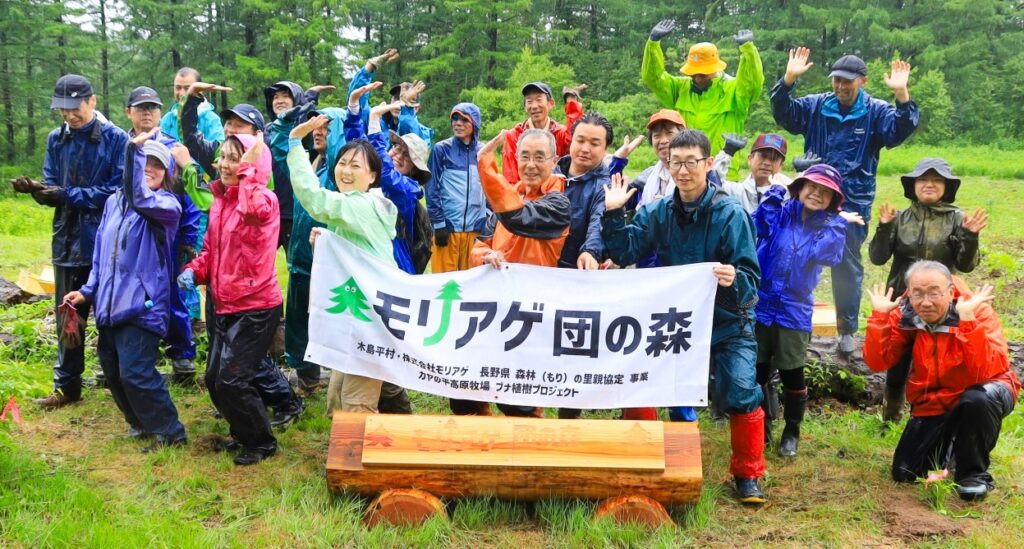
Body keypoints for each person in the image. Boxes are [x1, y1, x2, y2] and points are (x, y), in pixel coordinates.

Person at [601, 129, 767, 504]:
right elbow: (626, 250)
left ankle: (748, 473)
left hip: (728, 321)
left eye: (692, 162)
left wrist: (733, 278)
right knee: (640, 378)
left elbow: (751, 281)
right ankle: (640, 459)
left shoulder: (731, 214)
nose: (684, 170)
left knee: (740, 391)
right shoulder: (658, 212)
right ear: (667, 164)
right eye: (676, 163)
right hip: (676, 323)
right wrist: (613, 213)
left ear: (708, 164)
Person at [771, 48, 920, 354]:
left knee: (845, 262)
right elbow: (784, 112)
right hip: (814, 192)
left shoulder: (876, 111)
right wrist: (788, 80)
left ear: (862, 82)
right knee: (796, 251)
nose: (840, 86)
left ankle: (847, 328)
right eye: (837, 80)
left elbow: (898, 132)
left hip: (853, 198)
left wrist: (902, 94)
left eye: (847, 82)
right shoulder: (817, 106)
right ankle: (788, 320)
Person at [9, 75, 128, 408]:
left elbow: (117, 192)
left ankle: (118, 382)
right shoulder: (55, 139)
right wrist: (36, 190)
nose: (69, 116)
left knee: (110, 318)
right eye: (63, 110)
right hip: (65, 242)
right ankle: (67, 387)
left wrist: (66, 194)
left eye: (74, 108)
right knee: (68, 318)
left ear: (92, 101)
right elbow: (52, 188)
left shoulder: (115, 138)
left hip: (104, 243)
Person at [63, 134, 187, 449]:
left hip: (142, 305)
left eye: (157, 164)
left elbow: (140, 197)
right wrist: (87, 291)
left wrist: (133, 150)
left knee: (136, 372)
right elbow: (101, 255)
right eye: (145, 161)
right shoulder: (112, 203)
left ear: (167, 172)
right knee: (114, 372)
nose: (150, 168)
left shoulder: (166, 206)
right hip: (109, 304)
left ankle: (170, 431)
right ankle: (140, 424)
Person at [178, 132, 293, 465]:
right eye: (224, 158)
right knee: (214, 379)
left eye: (236, 158)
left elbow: (254, 210)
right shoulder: (220, 201)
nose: (227, 165)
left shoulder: (264, 199)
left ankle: (261, 443)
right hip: (226, 303)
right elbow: (211, 250)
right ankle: (243, 434)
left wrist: (249, 173)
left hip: (256, 306)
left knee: (233, 379)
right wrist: (194, 271)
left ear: (253, 165)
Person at [864, 262, 1019, 501]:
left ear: (949, 291)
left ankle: (972, 475)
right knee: (906, 472)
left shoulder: (975, 309)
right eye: (918, 293)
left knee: (976, 400)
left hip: (988, 389)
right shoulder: (907, 312)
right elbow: (878, 361)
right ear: (908, 291)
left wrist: (967, 320)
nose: (926, 302)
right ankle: (952, 448)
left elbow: (986, 371)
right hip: (936, 399)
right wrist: (880, 317)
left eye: (934, 293)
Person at [444, 128, 572, 417]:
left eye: (540, 157)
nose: (531, 164)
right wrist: (485, 256)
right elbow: (480, 244)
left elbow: (518, 218)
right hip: (492, 309)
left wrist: (486, 167)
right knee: (466, 392)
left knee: (519, 402)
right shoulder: (507, 197)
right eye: (524, 156)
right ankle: (478, 447)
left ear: (554, 161)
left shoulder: (558, 203)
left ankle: (525, 456)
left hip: (530, 314)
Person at [286, 115, 398, 414]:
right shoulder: (361, 205)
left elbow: (315, 200)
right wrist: (327, 241)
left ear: (372, 176)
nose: (346, 171)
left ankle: (362, 456)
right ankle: (359, 448)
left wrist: (296, 143)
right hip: (357, 316)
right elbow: (353, 251)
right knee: (338, 396)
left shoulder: (360, 204)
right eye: (342, 163)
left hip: (370, 319)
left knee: (356, 403)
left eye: (356, 166)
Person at [752, 164, 864, 456]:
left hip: (794, 308)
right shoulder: (781, 213)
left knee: (792, 372)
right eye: (812, 187)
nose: (817, 194)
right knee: (758, 369)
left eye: (825, 192)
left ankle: (792, 431)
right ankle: (761, 425)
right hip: (762, 303)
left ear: (832, 200)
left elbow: (825, 254)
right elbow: (759, 225)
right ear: (799, 189)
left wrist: (839, 223)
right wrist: (774, 194)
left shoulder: (828, 227)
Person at [868, 158, 985, 422]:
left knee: (936, 358)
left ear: (946, 187)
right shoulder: (900, 218)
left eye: (936, 180)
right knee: (897, 359)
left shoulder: (957, 219)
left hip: (940, 301)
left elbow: (966, 266)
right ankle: (891, 415)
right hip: (901, 297)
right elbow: (877, 257)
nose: (929, 184)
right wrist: (885, 226)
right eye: (923, 179)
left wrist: (970, 235)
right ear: (914, 185)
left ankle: (928, 416)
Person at [122, 86, 202, 386]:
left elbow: (189, 198)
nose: (147, 113)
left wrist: (188, 240)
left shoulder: (173, 147)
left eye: (153, 108)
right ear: (128, 111)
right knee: (135, 296)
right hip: (132, 237)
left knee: (173, 297)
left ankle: (182, 354)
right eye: (141, 107)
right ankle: (141, 353)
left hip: (168, 236)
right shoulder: (124, 144)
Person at [642, 20, 763, 179]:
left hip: (723, 173)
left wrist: (748, 50)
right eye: (694, 73)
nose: (698, 78)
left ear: (716, 68)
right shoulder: (680, 88)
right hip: (686, 173)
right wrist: (653, 44)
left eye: (703, 73)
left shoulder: (733, 90)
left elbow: (751, 83)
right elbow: (653, 78)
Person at [264, 80, 333, 253]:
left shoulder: (304, 130)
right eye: (275, 97)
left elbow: (303, 115)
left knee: (297, 260)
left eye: (286, 96)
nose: (279, 101)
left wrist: (308, 96)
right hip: (269, 208)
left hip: (293, 210)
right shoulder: (267, 129)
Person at [425, 102, 487, 273]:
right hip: (448, 227)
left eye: (464, 119)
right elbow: (431, 188)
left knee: (473, 282)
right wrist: (438, 224)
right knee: (444, 286)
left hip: (476, 229)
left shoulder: (483, 151)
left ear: (474, 122)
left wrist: (488, 223)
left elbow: (490, 189)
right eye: (455, 118)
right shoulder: (441, 149)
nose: (457, 123)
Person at [344, 48, 435, 144]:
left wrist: (406, 110)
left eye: (405, 100)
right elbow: (356, 105)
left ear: (416, 108)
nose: (399, 103)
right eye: (397, 98)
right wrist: (369, 68)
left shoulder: (423, 133)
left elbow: (410, 142)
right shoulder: (376, 120)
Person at [502, 81, 585, 184]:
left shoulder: (560, 133)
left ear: (551, 103)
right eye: (529, 101)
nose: (534, 106)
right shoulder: (514, 135)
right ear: (525, 107)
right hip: (524, 196)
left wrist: (571, 102)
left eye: (539, 100)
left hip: (555, 194)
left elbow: (577, 141)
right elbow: (510, 177)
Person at [720, 133, 793, 214]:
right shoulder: (735, 191)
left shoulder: (787, 196)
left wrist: (803, 176)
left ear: (781, 166)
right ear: (750, 159)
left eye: (774, 159)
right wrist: (727, 152)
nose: (767, 163)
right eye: (763, 156)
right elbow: (711, 187)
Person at [160, 67, 225, 150]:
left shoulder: (211, 119)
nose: (182, 93)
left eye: (187, 88)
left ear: (200, 90)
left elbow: (217, 152)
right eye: (178, 88)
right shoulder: (168, 119)